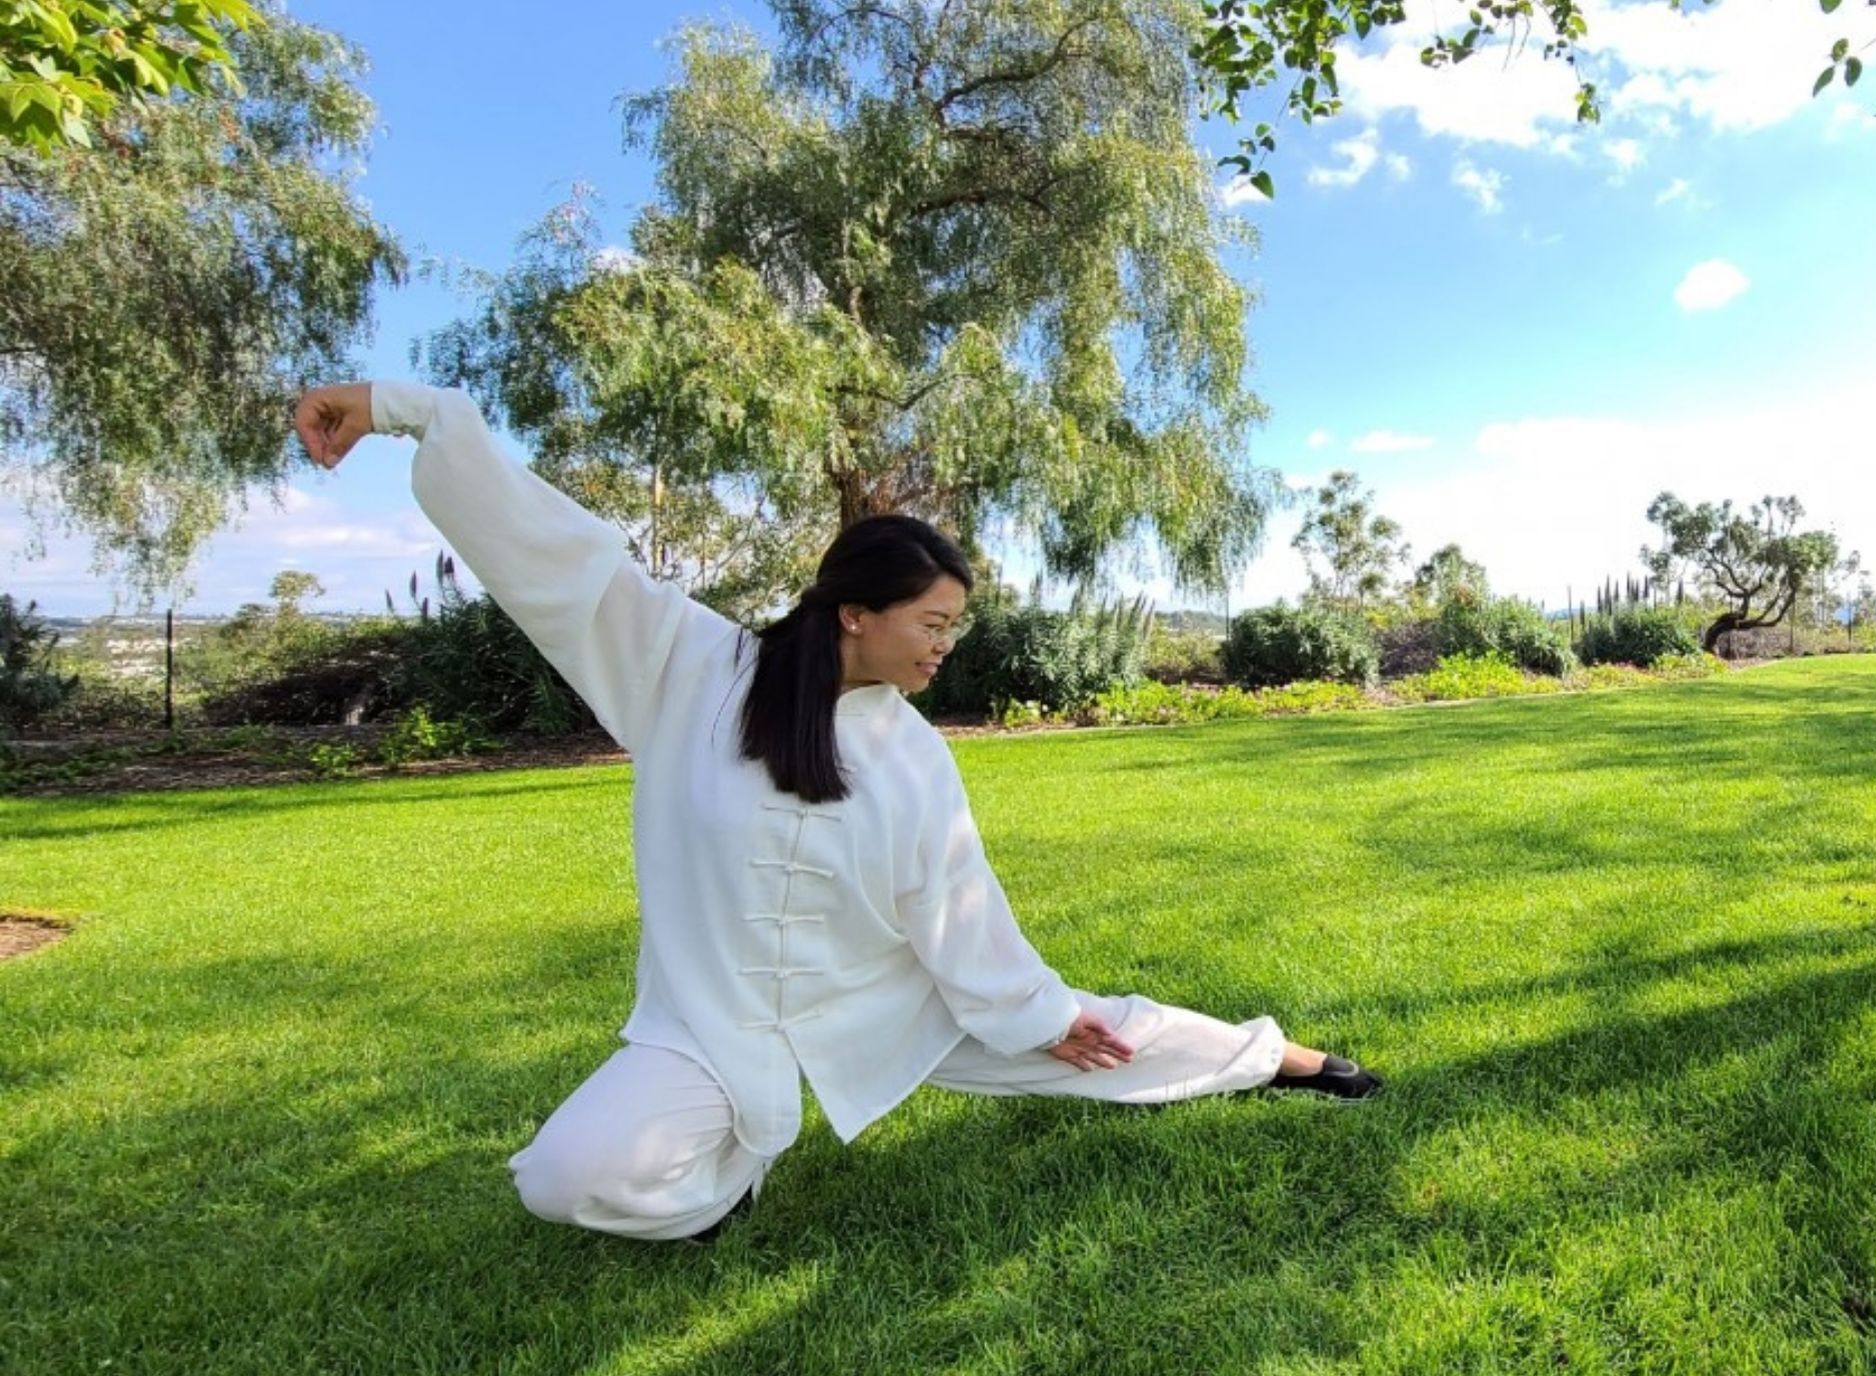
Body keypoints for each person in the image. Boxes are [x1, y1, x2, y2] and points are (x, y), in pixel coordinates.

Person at [291, 379, 1386, 1244]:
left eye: (955, 628)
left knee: (1094, 1034)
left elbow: (956, 912)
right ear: (855, 614)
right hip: (709, 1022)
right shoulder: (687, 667)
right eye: (934, 624)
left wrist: (1038, 1017)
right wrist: (406, 410)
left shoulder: (913, 757)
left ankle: (1278, 1059)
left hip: (888, 1001)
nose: (945, 647)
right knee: (564, 1179)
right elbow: (561, 560)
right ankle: (725, 1186)